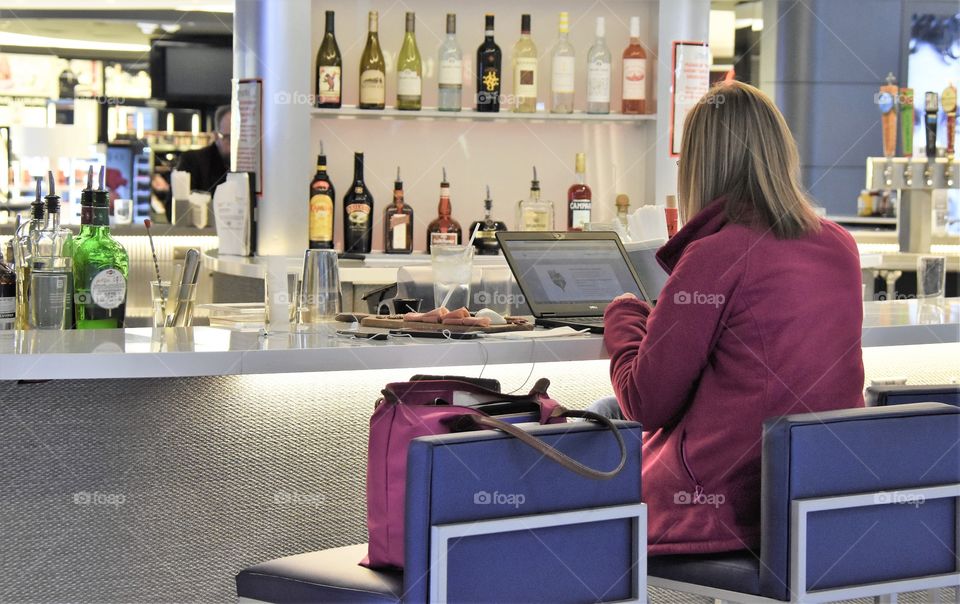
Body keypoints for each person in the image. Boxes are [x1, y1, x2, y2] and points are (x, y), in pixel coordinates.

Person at [598, 81, 864, 556]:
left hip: (724, 514)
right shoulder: (840, 245)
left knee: (591, 437)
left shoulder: (714, 255)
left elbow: (645, 402)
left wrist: (623, 314)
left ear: (700, 165)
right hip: (828, 504)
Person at [176, 105, 231, 196]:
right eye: (229, 138)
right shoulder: (193, 162)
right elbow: (175, 205)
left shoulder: (250, 166)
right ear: (216, 136)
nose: (238, 146)